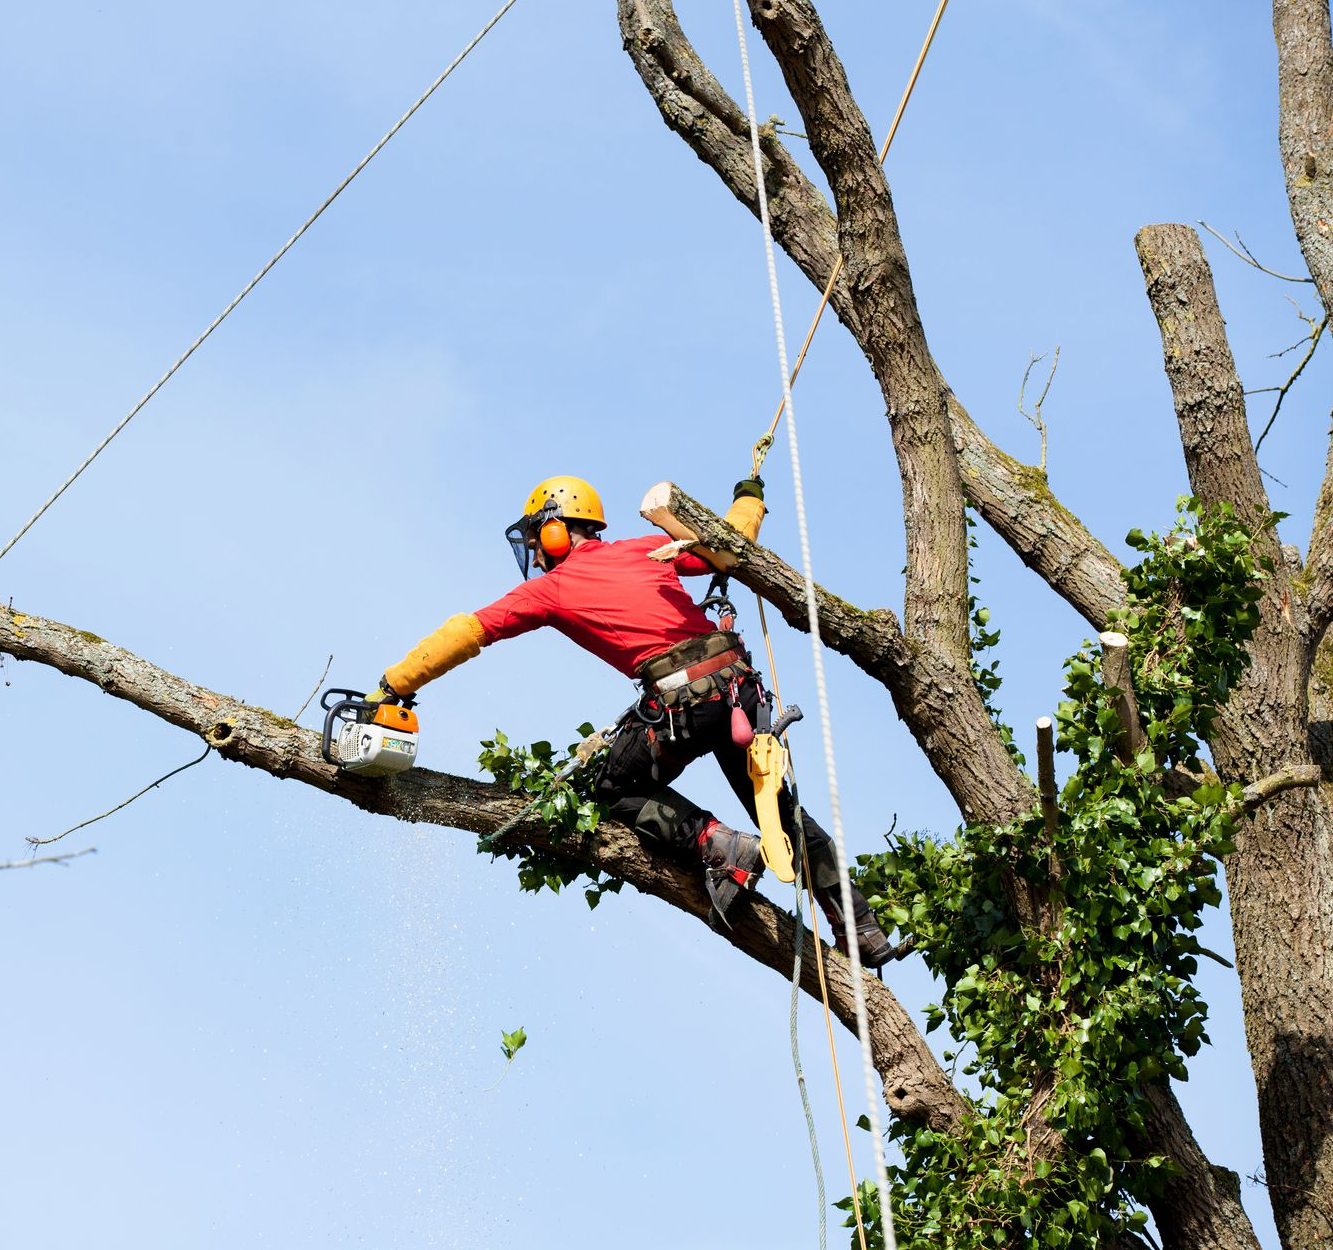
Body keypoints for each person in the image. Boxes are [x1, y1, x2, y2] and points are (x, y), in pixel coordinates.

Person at [366, 475, 893, 967]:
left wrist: (394, 685)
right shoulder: (647, 549)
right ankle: (861, 926)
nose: (534, 554)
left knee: (612, 788)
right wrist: (749, 494)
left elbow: (469, 631)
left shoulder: (551, 588)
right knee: (779, 811)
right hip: (736, 693)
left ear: (554, 530)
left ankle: (718, 844)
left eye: (536, 540)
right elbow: (732, 543)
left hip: (683, 704)